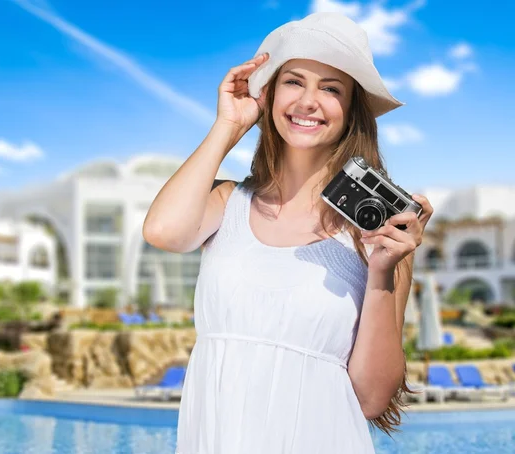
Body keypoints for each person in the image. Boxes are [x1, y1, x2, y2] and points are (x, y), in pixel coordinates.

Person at [143, 12, 434, 454]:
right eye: (294, 82)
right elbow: (163, 232)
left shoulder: (381, 241)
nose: (309, 101)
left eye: (331, 88)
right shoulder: (227, 204)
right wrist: (229, 126)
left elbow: (373, 399)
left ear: (351, 110)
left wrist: (381, 272)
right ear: (270, 94)